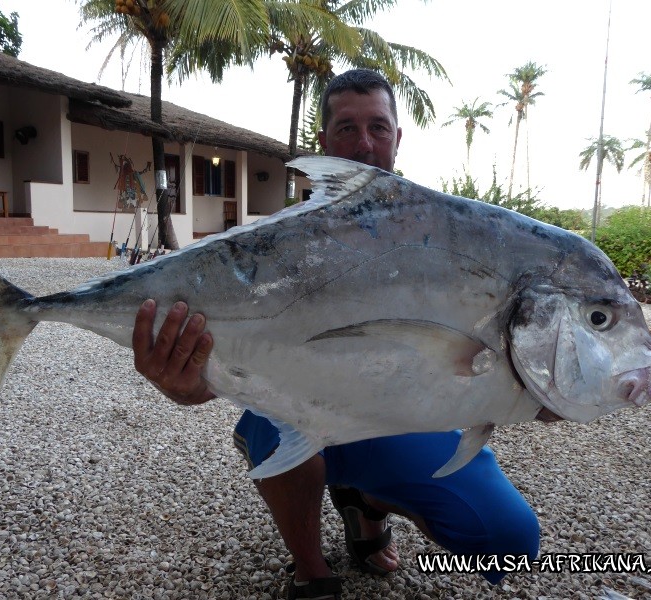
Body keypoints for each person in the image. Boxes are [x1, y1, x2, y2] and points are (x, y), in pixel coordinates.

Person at [133, 69, 543, 600]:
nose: (365, 143)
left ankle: (363, 502)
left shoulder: (446, 238)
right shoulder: (281, 244)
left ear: (398, 137)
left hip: (399, 416)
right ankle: (310, 566)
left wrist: (533, 388)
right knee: (271, 424)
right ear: (323, 141)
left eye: (378, 126)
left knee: (508, 539)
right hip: (298, 406)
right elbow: (215, 369)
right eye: (347, 128)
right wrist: (183, 383)